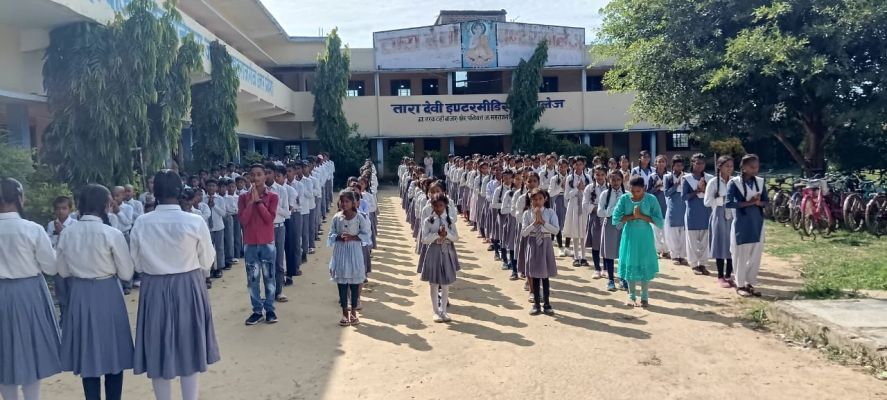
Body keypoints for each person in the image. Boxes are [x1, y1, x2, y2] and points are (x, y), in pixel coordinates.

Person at [128, 170, 220, 400]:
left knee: (158, 348)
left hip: (153, 287)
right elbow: (207, 259)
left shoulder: (142, 222)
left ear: (154, 191)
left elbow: (136, 261)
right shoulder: (194, 221)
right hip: (188, 285)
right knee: (189, 348)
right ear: (180, 191)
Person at [56, 184, 134, 400]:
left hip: (80, 293)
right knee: (114, 354)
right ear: (105, 205)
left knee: (87, 355)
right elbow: (127, 273)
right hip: (108, 292)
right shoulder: (112, 233)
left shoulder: (68, 233)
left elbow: (61, 270)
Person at [0, 178, 60, 400]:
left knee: (4, 356)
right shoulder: (32, 229)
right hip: (29, 292)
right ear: (19, 198)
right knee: (31, 354)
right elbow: (51, 267)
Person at [239, 164, 280, 325]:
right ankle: (257, 310)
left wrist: (259, 202)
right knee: (252, 279)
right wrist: (251, 202)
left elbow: (269, 219)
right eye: (252, 175)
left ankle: (270, 309)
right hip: (250, 244)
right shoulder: (243, 198)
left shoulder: (272, 197)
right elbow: (243, 220)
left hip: (267, 243)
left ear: (265, 177)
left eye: (259, 174)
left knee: (269, 277)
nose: (255, 178)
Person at [613, 177, 664, 307]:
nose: (635, 193)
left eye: (639, 191)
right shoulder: (624, 198)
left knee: (644, 261)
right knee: (631, 261)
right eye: (633, 191)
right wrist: (631, 217)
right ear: (629, 188)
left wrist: (641, 216)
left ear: (644, 188)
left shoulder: (651, 199)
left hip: (645, 235)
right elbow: (616, 218)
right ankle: (631, 295)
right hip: (630, 234)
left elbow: (659, 221)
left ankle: (645, 295)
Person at [726, 154, 768, 297]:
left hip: (757, 223)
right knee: (741, 255)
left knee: (755, 254)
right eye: (752, 167)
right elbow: (729, 203)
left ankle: (750, 282)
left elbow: (766, 202)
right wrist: (749, 202)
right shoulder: (734, 183)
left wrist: (758, 203)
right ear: (743, 167)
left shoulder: (761, 182)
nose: (755, 170)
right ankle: (740, 283)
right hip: (742, 224)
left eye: (757, 167)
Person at [328, 190, 371, 326]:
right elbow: (331, 234)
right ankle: (344, 312)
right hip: (341, 251)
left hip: (354, 250)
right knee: (341, 283)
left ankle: (353, 311)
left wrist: (353, 237)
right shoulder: (337, 217)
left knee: (353, 283)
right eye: (342, 201)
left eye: (347, 201)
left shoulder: (359, 218)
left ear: (353, 203)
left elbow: (366, 234)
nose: (345, 204)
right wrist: (338, 237)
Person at [418, 193, 460, 323]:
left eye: (441, 205)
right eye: (435, 205)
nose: (438, 208)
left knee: (445, 283)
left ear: (445, 205)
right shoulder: (429, 221)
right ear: (432, 206)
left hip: (446, 250)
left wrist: (446, 235)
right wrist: (437, 235)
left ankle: (444, 311)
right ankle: (435, 311)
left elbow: (456, 237)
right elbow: (424, 239)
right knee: (434, 283)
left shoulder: (449, 220)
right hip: (434, 252)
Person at [521, 188, 559, 316]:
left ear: (545, 199)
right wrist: (534, 223)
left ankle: (547, 303)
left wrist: (543, 222)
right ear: (531, 200)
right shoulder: (527, 214)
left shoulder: (550, 212)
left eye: (540, 199)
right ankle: (536, 304)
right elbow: (524, 232)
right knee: (535, 276)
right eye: (535, 199)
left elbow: (556, 230)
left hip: (546, 244)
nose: (537, 202)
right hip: (533, 243)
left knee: (545, 276)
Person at [705, 156, 735, 288]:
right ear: (720, 167)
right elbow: (707, 202)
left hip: (732, 215)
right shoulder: (713, 182)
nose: (729, 168)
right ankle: (720, 276)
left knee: (732, 244)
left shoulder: (735, 181)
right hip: (718, 214)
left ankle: (729, 275)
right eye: (726, 166)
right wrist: (721, 199)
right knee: (720, 244)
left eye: (731, 166)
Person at [682, 153, 714, 275]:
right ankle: (694, 264)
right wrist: (697, 191)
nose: (700, 166)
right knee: (693, 241)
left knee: (706, 240)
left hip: (706, 212)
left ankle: (703, 264)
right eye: (697, 163)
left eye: (702, 163)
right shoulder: (687, 179)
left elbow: (713, 195)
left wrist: (706, 190)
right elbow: (684, 197)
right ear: (692, 163)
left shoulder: (710, 178)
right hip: (693, 213)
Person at [598, 171, 627, 291]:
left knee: (623, 253)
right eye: (613, 180)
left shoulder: (627, 194)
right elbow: (600, 212)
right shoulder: (605, 194)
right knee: (609, 253)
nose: (615, 182)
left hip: (624, 225)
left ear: (622, 180)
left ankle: (622, 278)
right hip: (609, 224)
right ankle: (610, 279)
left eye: (618, 180)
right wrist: (613, 210)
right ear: (609, 181)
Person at [268, 165, 292, 302]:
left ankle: (279, 290)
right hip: (264, 229)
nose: (268, 175)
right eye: (265, 173)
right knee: (266, 260)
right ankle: (269, 291)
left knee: (278, 260)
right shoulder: (258, 191)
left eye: (270, 172)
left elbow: (287, 213)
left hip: (278, 227)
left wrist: (273, 206)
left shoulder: (282, 190)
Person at [563, 157, 591, 267]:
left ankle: (583, 257)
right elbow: (566, 195)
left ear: (584, 165)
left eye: (581, 164)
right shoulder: (570, 177)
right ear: (573, 165)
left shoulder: (588, 177)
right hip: (573, 206)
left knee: (583, 230)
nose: (579, 166)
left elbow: (590, 194)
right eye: (577, 164)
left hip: (583, 206)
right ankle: (576, 256)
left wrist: (583, 189)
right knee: (575, 231)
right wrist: (576, 189)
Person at [664, 155, 688, 265]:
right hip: (673, 206)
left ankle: (682, 256)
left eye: (681, 165)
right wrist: (676, 185)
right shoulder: (668, 177)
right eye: (677, 165)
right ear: (673, 166)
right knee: (672, 233)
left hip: (684, 206)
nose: (680, 167)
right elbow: (666, 193)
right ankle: (674, 255)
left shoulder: (687, 177)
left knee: (683, 232)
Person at [584, 166, 608, 278]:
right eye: (597, 174)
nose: (600, 177)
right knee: (596, 243)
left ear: (606, 175)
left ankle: (606, 268)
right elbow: (585, 204)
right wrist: (596, 208)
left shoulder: (610, 187)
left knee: (606, 243)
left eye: (602, 174)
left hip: (607, 217)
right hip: (595, 216)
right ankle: (597, 268)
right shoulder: (589, 188)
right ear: (594, 175)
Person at [204, 178, 227, 280]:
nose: (211, 188)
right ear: (206, 187)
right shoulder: (203, 199)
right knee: (209, 248)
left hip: (218, 226)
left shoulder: (220, 199)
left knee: (219, 248)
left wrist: (214, 206)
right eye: (209, 186)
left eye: (213, 186)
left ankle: (220, 268)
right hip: (207, 228)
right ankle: (211, 268)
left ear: (216, 188)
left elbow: (223, 213)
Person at [647, 155, 670, 258]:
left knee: (666, 230)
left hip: (667, 205)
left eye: (663, 161)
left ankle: (666, 250)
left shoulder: (670, 176)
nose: (661, 164)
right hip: (655, 206)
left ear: (666, 163)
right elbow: (647, 192)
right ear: (655, 163)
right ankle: (657, 249)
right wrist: (656, 188)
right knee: (656, 230)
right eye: (658, 162)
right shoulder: (652, 177)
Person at [285, 163, 304, 281]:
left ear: (294, 172)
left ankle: (296, 266)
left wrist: (294, 198)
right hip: (285, 215)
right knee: (287, 242)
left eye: (290, 171)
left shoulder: (299, 185)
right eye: (286, 171)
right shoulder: (283, 186)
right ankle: (288, 267)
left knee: (296, 240)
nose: (288, 173)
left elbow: (300, 200)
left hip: (295, 213)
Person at [548, 159, 569, 257]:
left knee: (569, 223)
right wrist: (561, 187)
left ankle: (567, 247)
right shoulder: (554, 179)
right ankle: (560, 247)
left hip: (569, 200)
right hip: (558, 199)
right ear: (557, 167)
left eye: (564, 166)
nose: (562, 168)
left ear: (567, 167)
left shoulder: (571, 177)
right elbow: (550, 193)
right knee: (558, 223)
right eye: (560, 166)